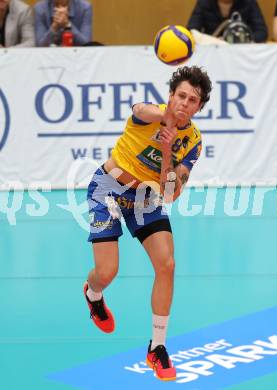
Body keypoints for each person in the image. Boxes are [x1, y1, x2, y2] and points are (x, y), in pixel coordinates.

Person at [83, 66, 212, 381]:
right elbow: (138, 109)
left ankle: (157, 346)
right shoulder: (149, 114)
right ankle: (93, 294)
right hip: (108, 190)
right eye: (180, 95)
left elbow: (170, 194)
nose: (184, 103)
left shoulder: (192, 141)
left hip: (146, 199)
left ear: (199, 107)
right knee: (106, 272)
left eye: (192, 100)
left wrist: (168, 150)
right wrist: (163, 117)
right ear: (171, 96)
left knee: (167, 264)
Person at [187, 0, 268, 43]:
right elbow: (191, 31)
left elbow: (262, 32)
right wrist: (212, 41)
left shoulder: (249, 2)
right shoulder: (204, 2)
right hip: (213, 53)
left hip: (241, 53)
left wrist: (240, 39)